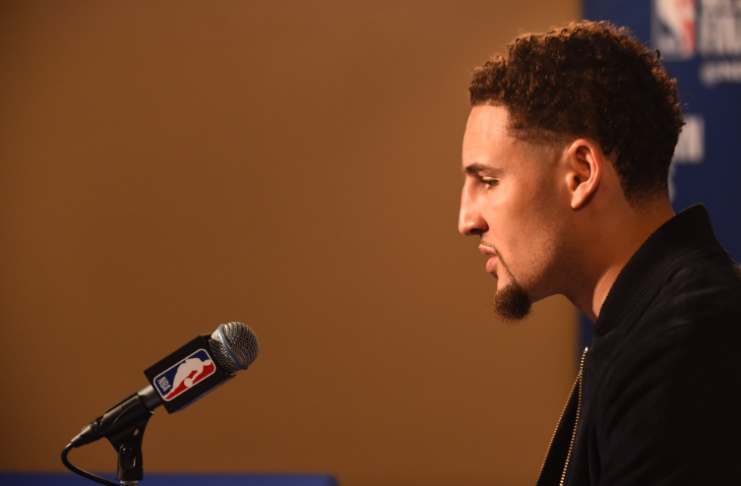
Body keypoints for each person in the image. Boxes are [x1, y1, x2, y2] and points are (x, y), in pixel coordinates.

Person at [458, 21, 741, 485]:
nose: (467, 220)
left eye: (488, 181)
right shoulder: (652, 329)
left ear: (580, 174)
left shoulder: (685, 343)